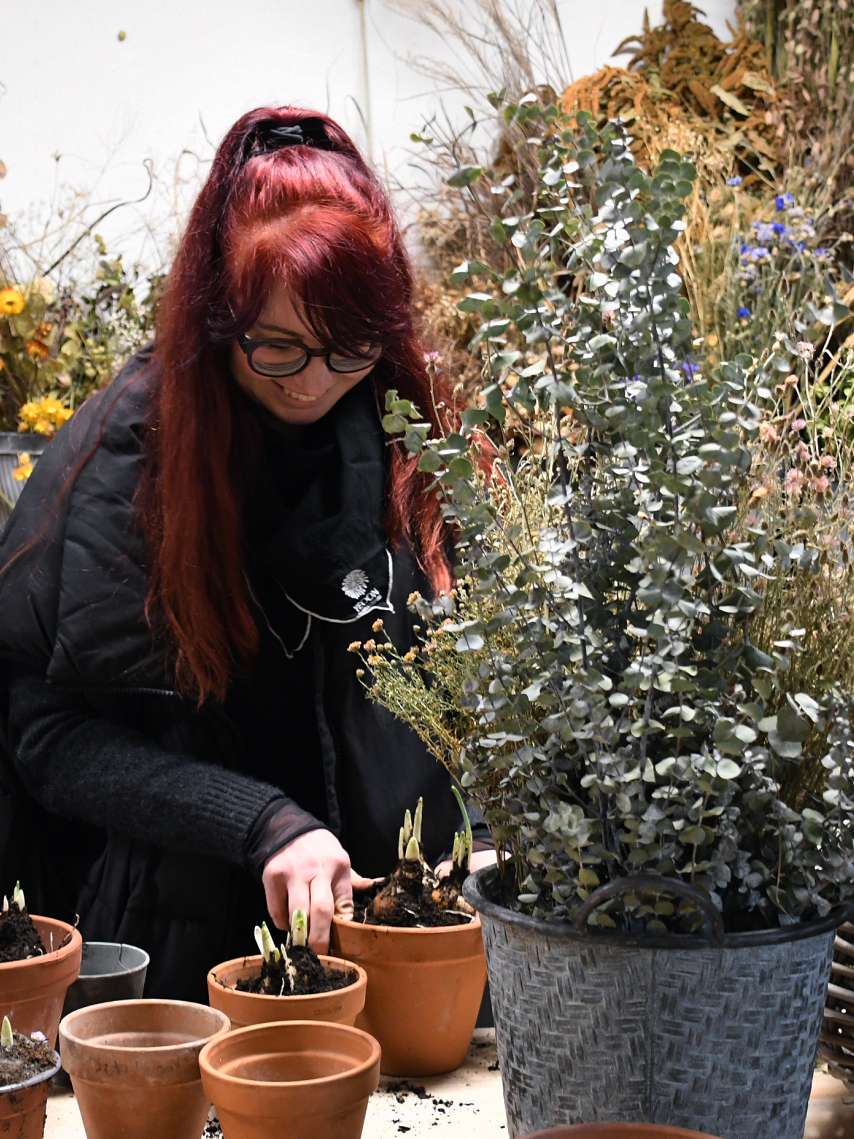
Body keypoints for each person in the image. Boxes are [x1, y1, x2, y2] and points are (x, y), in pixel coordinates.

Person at [0, 106, 496, 1000]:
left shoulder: (416, 435)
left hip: (399, 933)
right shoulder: (134, 454)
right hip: (186, 940)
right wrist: (261, 821)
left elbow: (504, 681)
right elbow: (50, 736)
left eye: (344, 346)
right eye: (276, 346)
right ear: (218, 318)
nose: (310, 379)